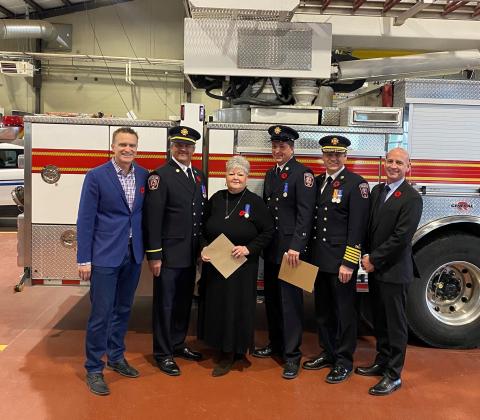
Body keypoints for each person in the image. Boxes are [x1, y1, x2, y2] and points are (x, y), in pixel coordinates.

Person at [77, 127, 149, 396]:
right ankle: (94, 368)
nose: (127, 149)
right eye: (122, 145)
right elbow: (85, 219)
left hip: (132, 253)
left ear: (137, 148)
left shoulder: (143, 175)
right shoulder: (96, 176)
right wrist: (84, 259)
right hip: (105, 255)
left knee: (123, 309)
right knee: (101, 313)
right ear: (113, 146)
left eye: (132, 145)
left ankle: (116, 357)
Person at [302, 135, 370, 384]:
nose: (332, 158)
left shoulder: (356, 184)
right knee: (323, 312)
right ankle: (328, 352)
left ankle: (343, 361)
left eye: (338, 154)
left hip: (340, 263)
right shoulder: (318, 182)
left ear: (345, 157)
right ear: (322, 156)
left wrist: (349, 263)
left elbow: (357, 228)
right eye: (328, 154)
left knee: (344, 314)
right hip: (319, 261)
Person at [199, 155, 274, 377]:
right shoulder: (215, 199)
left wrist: (248, 249)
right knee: (217, 306)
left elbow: (268, 231)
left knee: (235, 308)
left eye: (240, 174)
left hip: (241, 267)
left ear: (247, 177)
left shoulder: (256, 203)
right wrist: (203, 248)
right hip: (216, 265)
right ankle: (219, 345)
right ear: (225, 176)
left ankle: (232, 352)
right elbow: (201, 229)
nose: (235, 177)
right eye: (231, 173)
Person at [253, 125, 316, 380]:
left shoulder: (303, 174)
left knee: (290, 305)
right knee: (272, 301)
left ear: (292, 148)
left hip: (292, 253)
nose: (277, 150)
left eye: (282, 146)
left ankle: (292, 356)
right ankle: (276, 344)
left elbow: (305, 214)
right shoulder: (271, 174)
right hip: (272, 250)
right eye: (274, 146)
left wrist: (297, 247)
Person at [358, 148, 423, 396]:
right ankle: (382, 361)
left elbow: (401, 238)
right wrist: (365, 254)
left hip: (394, 271)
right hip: (376, 270)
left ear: (408, 167)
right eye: (390, 161)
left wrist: (374, 259)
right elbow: (370, 227)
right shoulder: (377, 191)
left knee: (395, 325)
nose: (393, 165)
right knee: (380, 321)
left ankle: (393, 375)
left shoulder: (411, 198)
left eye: (399, 162)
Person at [143, 125, 206, 376]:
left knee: (182, 303)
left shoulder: (198, 175)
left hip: (190, 254)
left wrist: (202, 248)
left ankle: (178, 344)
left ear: (194, 149)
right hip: (168, 255)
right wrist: (155, 255)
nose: (183, 149)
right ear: (172, 147)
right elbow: (153, 219)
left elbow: (199, 216)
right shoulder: (159, 176)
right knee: (165, 305)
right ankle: (163, 352)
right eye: (179, 145)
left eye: (188, 146)